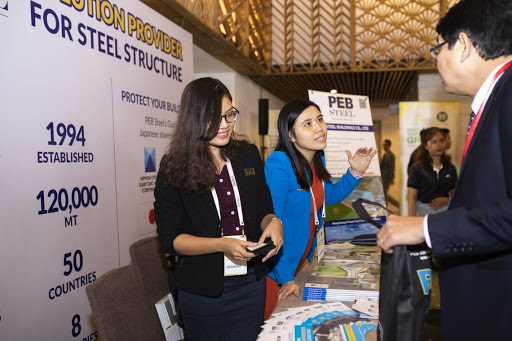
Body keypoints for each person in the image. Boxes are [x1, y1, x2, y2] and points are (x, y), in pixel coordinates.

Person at [377, 0, 512, 339]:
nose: (435, 58)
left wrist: (426, 228)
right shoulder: (495, 97)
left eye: (438, 48)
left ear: (464, 46)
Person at [154, 77, 283, 341]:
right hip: (204, 293)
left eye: (229, 115)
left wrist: (274, 222)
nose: (224, 125)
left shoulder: (247, 155)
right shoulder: (174, 167)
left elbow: (263, 210)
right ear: (194, 118)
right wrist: (222, 245)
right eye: (215, 118)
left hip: (250, 284)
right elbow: (172, 240)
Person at [264, 99, 377, 306]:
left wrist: (356, 172)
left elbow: (328, 195)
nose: (319, 128)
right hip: (275, 272)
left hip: (299, 263)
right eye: (307, 124)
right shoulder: (278, 163)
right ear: (290, 135)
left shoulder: (317, 159)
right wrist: (286, 278)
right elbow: (272, 225)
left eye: (320, 120)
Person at [407, 127, 457, 216]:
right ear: (426, 146)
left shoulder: (450, 168)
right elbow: (412, 197)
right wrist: (412, 220)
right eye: (434, 142)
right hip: (424, 216)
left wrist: (447, 199)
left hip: (446, 215)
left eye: (441, 140)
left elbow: (455, 193)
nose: (439, 145)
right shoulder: (417, 168)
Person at [380, 139, 399, 208]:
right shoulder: (385, 155)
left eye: (385, 145)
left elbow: (392, 167)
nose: (383, 147)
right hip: (382, 177)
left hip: (387, 178)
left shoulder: (391, 155)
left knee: (384, 194)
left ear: (388, 146)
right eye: (383, 145)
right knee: (385, 194)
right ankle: (399, 205)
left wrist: (391, 178)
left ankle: (385, 209)